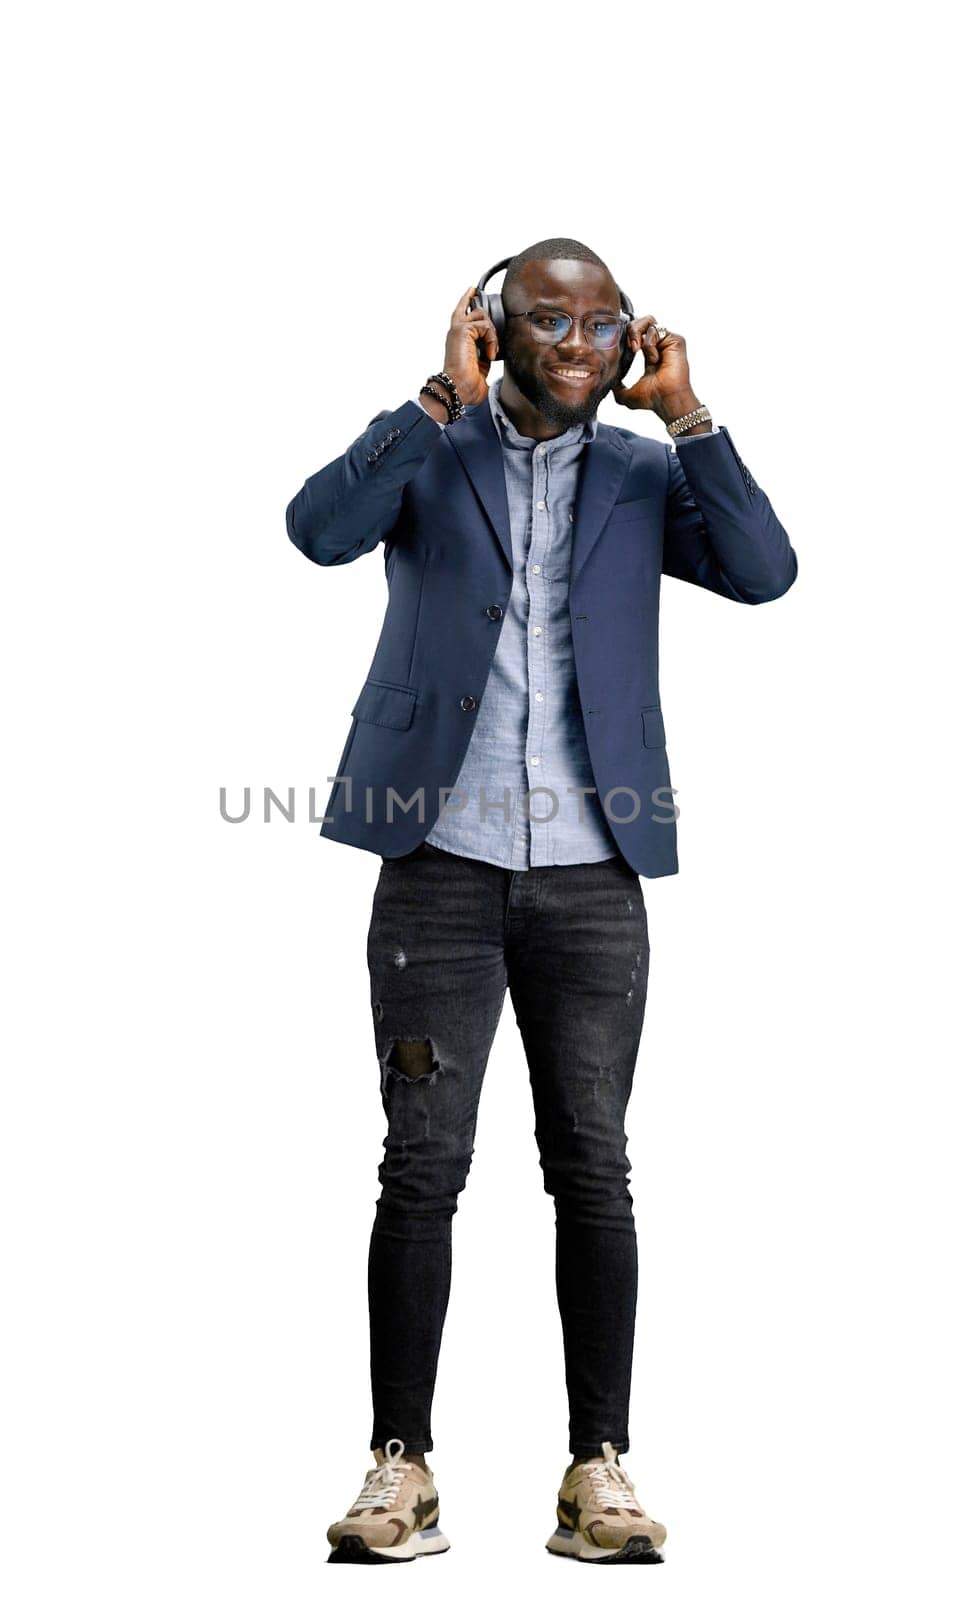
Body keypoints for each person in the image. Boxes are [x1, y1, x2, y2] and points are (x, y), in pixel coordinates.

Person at [285, 238, 797, 1564]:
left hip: (594, 876)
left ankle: (599, 1469)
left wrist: (689, 412)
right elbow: (316, 533)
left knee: (596, 1170)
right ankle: (401, 1468)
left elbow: (765, 569)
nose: (575, 346)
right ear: (492, 330)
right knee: (421, 1166)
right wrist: (432, 402)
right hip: (435, 867)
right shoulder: (432, 449)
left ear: (630, 339)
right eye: (547, 322)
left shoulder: (642, 473)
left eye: (601, 326)